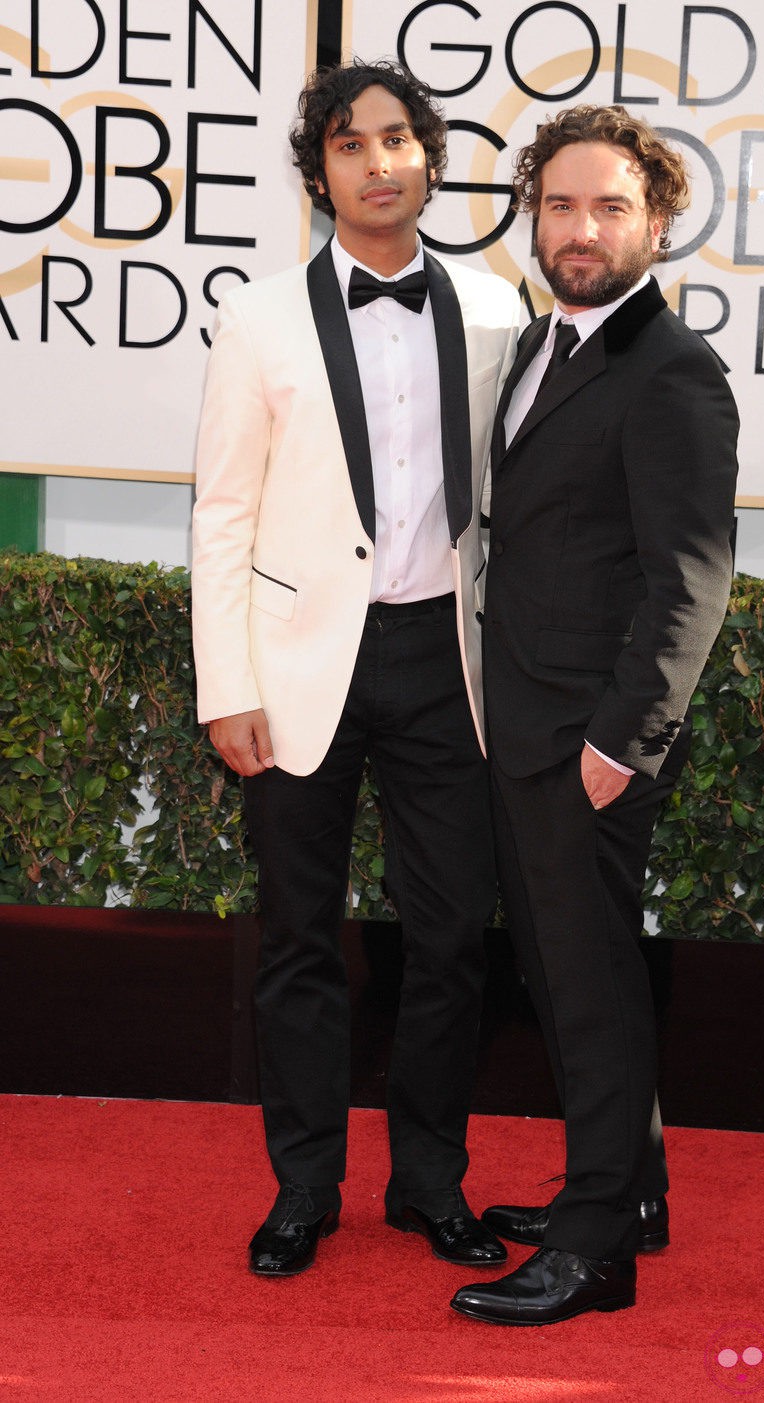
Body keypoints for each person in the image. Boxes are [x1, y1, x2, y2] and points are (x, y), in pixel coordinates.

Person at [192, 59, 521, 1278]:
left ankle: (430, 1183)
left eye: (398, 138)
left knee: (449, 940)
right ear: (317, 170)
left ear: (429, 160)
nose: (377, 161)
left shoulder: (495, 310)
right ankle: (304, 1188)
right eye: (349, 144)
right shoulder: (261, 315)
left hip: (450, 658)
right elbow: (222, 510)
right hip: (293, 666)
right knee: (297, 941)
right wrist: (226, 681)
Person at [450, 104, 739, 1326]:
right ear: (533, 215)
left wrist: (623, 742)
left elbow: (689, 575)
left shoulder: (672, 373)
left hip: (588, 743)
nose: (580, 229)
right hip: (519, 722)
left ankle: (593, 1249)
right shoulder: (537, 345)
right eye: (560, 205)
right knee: (578, 971)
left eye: (609, 206)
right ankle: (630, 1193)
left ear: (656, 222)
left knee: (584, 983)